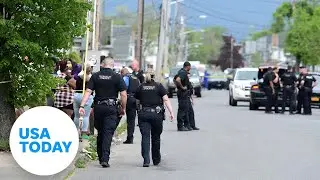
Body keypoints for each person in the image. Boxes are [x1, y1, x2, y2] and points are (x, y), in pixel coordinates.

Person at [79, 56, 127, 168]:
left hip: (98, 108)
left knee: (101, 131)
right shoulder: (117, 77)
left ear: (102, 65)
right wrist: (123, 108)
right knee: (108, 132)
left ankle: (100, 155)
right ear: (113, 65)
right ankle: (104, 158)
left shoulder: (95, 76)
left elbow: (88, 91)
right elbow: (124, 94)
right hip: (111, 108)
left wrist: (82, 105)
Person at [134, 72, 174, 167]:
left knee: (145, 137)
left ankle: (146, 160)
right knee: (156, 137)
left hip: (143, 114)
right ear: (154, 77)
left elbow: (136, 99)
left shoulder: (141, 87)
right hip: (156, 115)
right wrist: (171, 112)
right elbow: (166, 99)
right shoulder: (159, 86)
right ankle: (156, 159)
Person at [73, 63, 95, 140]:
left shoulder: (79, 76)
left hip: (77, 95)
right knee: (85, 116)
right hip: (87, 97)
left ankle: (76, 131)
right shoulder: (91, 78)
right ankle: (83, 133)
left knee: (77, 115)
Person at [121, 67, 140, 144]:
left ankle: (129, 138)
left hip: (128, 99)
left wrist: (123, 106)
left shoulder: (126, 78)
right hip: (135, 100)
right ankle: (130, 137)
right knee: (132, 120)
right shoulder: (136, 78)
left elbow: (123, 90)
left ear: (123, 73)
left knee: (128, 120)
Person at [174, 62, 192, 131]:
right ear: (187, 66)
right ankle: (180, 126)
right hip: (183, 93)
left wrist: (177, 86)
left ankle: (186, 125)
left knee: (185, 109)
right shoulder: (183, 72)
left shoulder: (181, 71)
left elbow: (174, 79)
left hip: (183, 93)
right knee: (182, 110)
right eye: (190, 67)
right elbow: (177, 80)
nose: (190, 68)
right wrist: (181, 87)